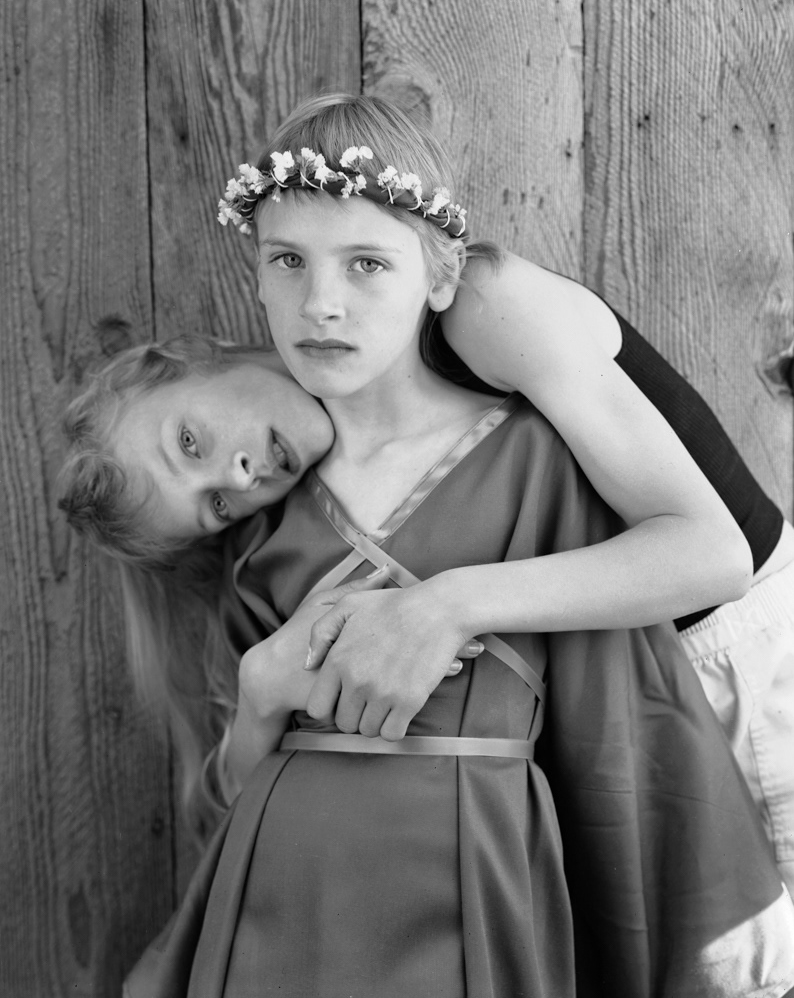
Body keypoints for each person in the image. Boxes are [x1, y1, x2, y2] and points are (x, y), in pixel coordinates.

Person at [69, 92, 792, 995]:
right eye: (286, 261)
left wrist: (441, 606)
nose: (240, 472)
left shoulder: (488, 315)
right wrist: (263, 689)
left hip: (730, 644)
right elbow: (247, 763)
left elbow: (711, 554)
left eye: (191, 441)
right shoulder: (280, 516)